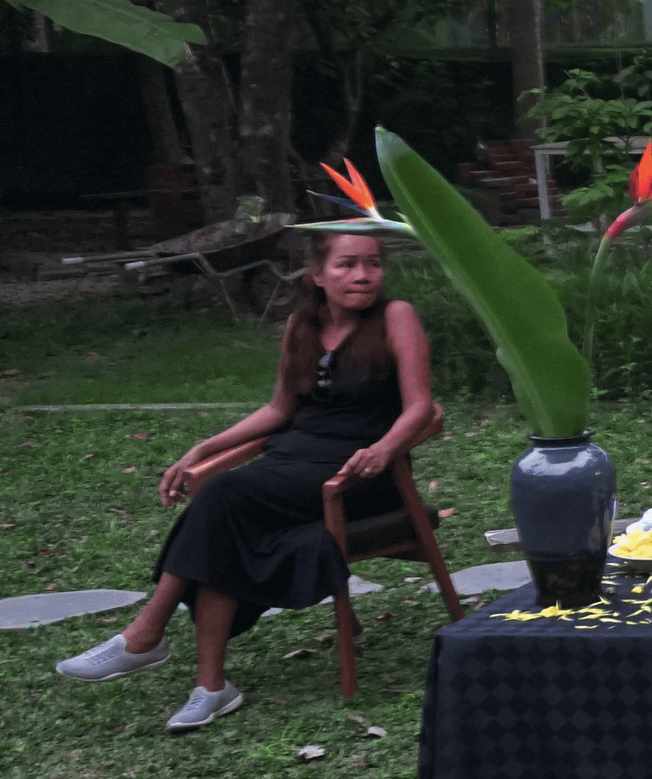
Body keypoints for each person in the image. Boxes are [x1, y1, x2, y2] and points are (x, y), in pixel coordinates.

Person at [55, 232, 435, 731]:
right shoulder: (302, 325)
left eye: (372, 264)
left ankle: (146, 633)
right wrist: (206, 446)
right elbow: (280, 409)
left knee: (225, 495)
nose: (362, 275)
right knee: (225, 525)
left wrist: (385, 448)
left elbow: (422, 406)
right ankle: (210, 686)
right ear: (318, 275)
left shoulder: (395, 316)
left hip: (359, 477)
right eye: (346, 265)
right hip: (290, 471)